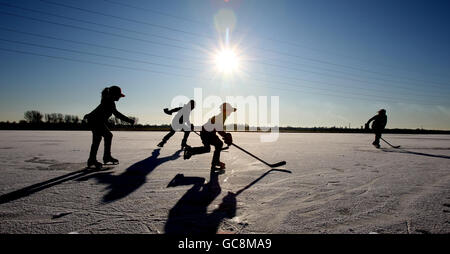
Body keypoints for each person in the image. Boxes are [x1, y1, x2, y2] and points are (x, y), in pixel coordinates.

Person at [84, 85, 135, 169]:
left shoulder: (108, 100)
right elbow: (117, 114)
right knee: (105, 136)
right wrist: (129, 120)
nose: (119, 98)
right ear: (114, 95)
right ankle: (102, 157)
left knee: (101, 138)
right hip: (95, 121)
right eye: (119, 96)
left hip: (95, 121)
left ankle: (96, 159)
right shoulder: (109, 101)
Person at [183, 102, 236, 173]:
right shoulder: (221, 116)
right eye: (229, 110)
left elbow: (218, 128)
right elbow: (219, 128)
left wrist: (226, 136)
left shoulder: (222, 116)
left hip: (207, 133)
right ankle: (215, 162)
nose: (230, 113)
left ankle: (191, 151)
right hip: (207, 133)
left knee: (207, 148)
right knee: (218, 144)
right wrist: (226, 136)